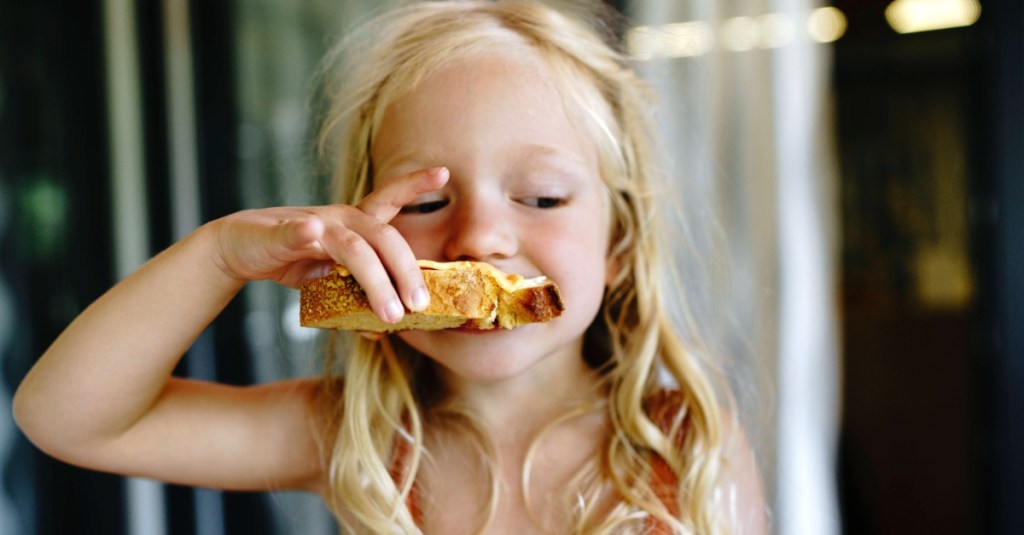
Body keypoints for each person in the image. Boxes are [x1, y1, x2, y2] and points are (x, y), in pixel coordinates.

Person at [13, 0, 768, 532]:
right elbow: (64, 417)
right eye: (426, 204)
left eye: (540, 197)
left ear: (618, 249)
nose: (480, 239)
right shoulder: (353, 435)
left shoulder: (686, 446)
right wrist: (217, 256)